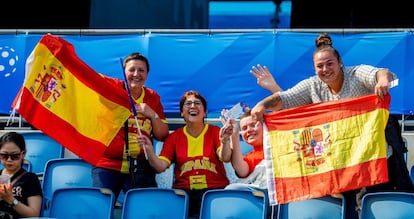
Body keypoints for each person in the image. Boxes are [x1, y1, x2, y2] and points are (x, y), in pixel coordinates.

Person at [249, 32, 413, 219]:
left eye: (330, 64)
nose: (325, 69)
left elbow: (381, 73)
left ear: (340, 62)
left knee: (374, 210)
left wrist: (382, 80)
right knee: (346, 211)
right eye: (320, 66)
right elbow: (285, 99)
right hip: (341, 165)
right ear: (314, 69)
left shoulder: (356, 74)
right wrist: (262, 105)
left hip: (375, 161)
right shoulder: (312, 85)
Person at [138, 90, 233, 219]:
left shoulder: (215, 132)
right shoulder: (174, 137)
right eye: (188, 104)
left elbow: (225, 157)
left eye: (197, 103)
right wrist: (149, 150)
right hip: (185, 195)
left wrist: (225, 141)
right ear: (182, 112)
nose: (193, 106)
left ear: (204, 112)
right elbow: (160, 166)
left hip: (214, 192)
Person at [91, 52, 170, 203]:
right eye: (131, 70)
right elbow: (88, 77)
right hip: (107, 164)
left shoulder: (153, 97)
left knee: (144, 210)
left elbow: (162, 135)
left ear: (147, 74)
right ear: (124, 72)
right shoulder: (112, 87)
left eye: (141, 70)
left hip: (140, 166)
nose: (136, 74)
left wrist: (152, 114)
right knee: (100, 208)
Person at [0, 132, 43, 218]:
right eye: (4, 155)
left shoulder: (30, 179)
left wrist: (11, 200)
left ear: (23, 154)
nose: (9, 160)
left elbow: (34, 214)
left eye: (15, 156)